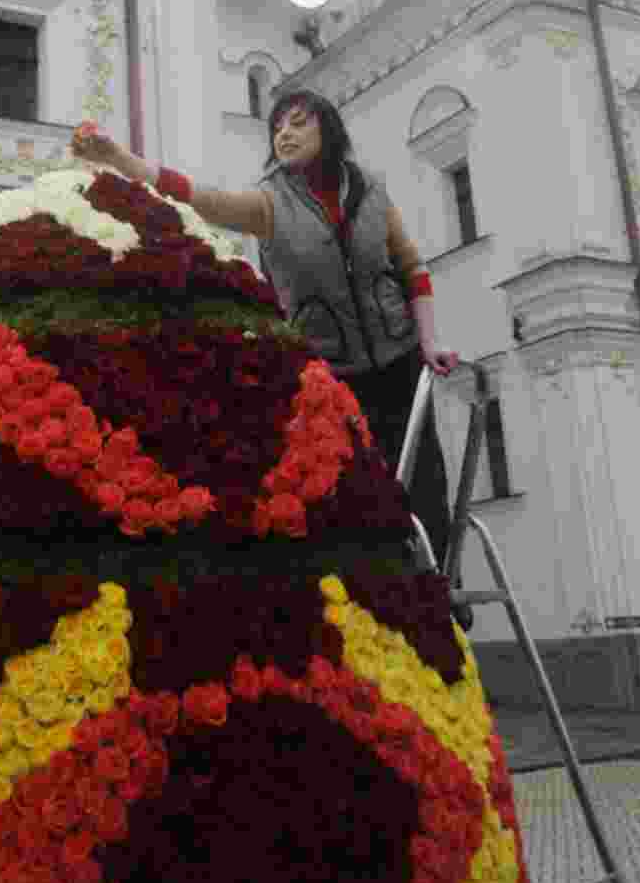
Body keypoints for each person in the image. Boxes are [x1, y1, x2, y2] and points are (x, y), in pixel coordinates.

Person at [71, 88, 460, 572]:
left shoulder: (371, 189)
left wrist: (430, 340)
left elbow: (412, 268)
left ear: (328, 130)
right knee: (355, 493)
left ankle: (442, 594)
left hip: (401, 360)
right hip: (331, 373)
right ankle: (384, 601)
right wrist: (119, 158)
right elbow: (196, 196)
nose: (285, 134)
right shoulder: (269, 202)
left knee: (426, 484)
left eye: (298, 123)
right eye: (278, 126)